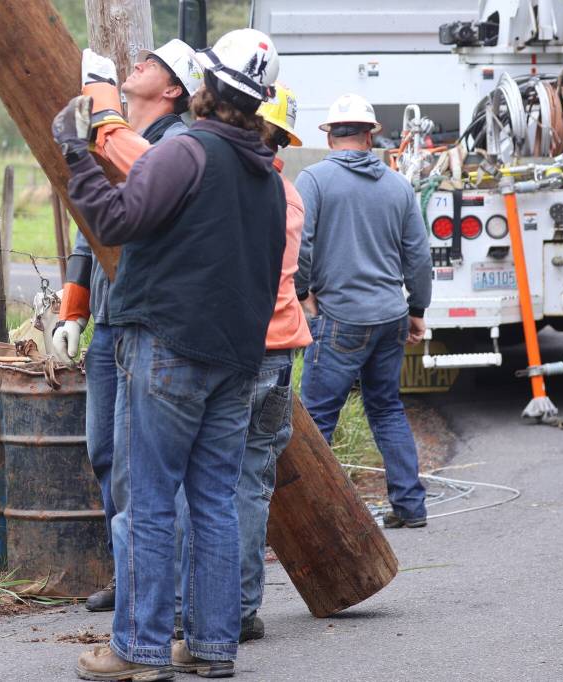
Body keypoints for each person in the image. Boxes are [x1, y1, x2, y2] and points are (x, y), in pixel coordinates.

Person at [52, 28, 283, 681]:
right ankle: (211, 648)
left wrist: (76, 153)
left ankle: (138, 649)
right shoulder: (263, 172)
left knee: (148, 501)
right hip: (234, 359)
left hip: (166, 348)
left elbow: (118, 221)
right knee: (212, 500)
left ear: (204, 89)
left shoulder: (187, 150)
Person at [50, 39, 204, 613]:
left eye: (152, 63)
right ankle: (131, 573)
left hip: (151, 326)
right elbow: (92, 229)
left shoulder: (175, 149)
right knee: (107, 456)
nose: (137, 63)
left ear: (173, 90)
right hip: (111, 326)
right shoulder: (112, 142)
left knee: (154, 469)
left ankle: (170, 592)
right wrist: (73, 311)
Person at [294, 93, 433, 529]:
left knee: (316, 419)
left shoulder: (313, 180)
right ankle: (411, 507)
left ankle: (313, 518)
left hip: (340, 318)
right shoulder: (398, 185)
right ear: (370, 134)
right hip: (390, 315)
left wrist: (303, 295)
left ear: (330, 135)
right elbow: (419, 257)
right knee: (387, 408)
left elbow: (301, 246)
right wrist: (417, 307)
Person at [233, 83, 312, 641]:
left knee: (213, 481)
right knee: (252, 480)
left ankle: (210, 610)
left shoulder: (238, 187)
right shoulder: (287, 193)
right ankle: (240, 608)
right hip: (280, 349)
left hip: (235, 348)